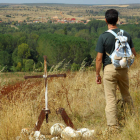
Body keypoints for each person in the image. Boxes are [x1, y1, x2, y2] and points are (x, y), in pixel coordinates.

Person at [95, 9, 136, 131]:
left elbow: (98, 59)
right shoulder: (126, 34)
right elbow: (133, 54)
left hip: (109, 69)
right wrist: (126, 65)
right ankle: (132, 120)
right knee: (126, 95)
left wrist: (97, 74)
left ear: (106, 20)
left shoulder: (103, 37)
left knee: (111, 98)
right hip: (123, 69)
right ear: (117, 19)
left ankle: (113, 127)